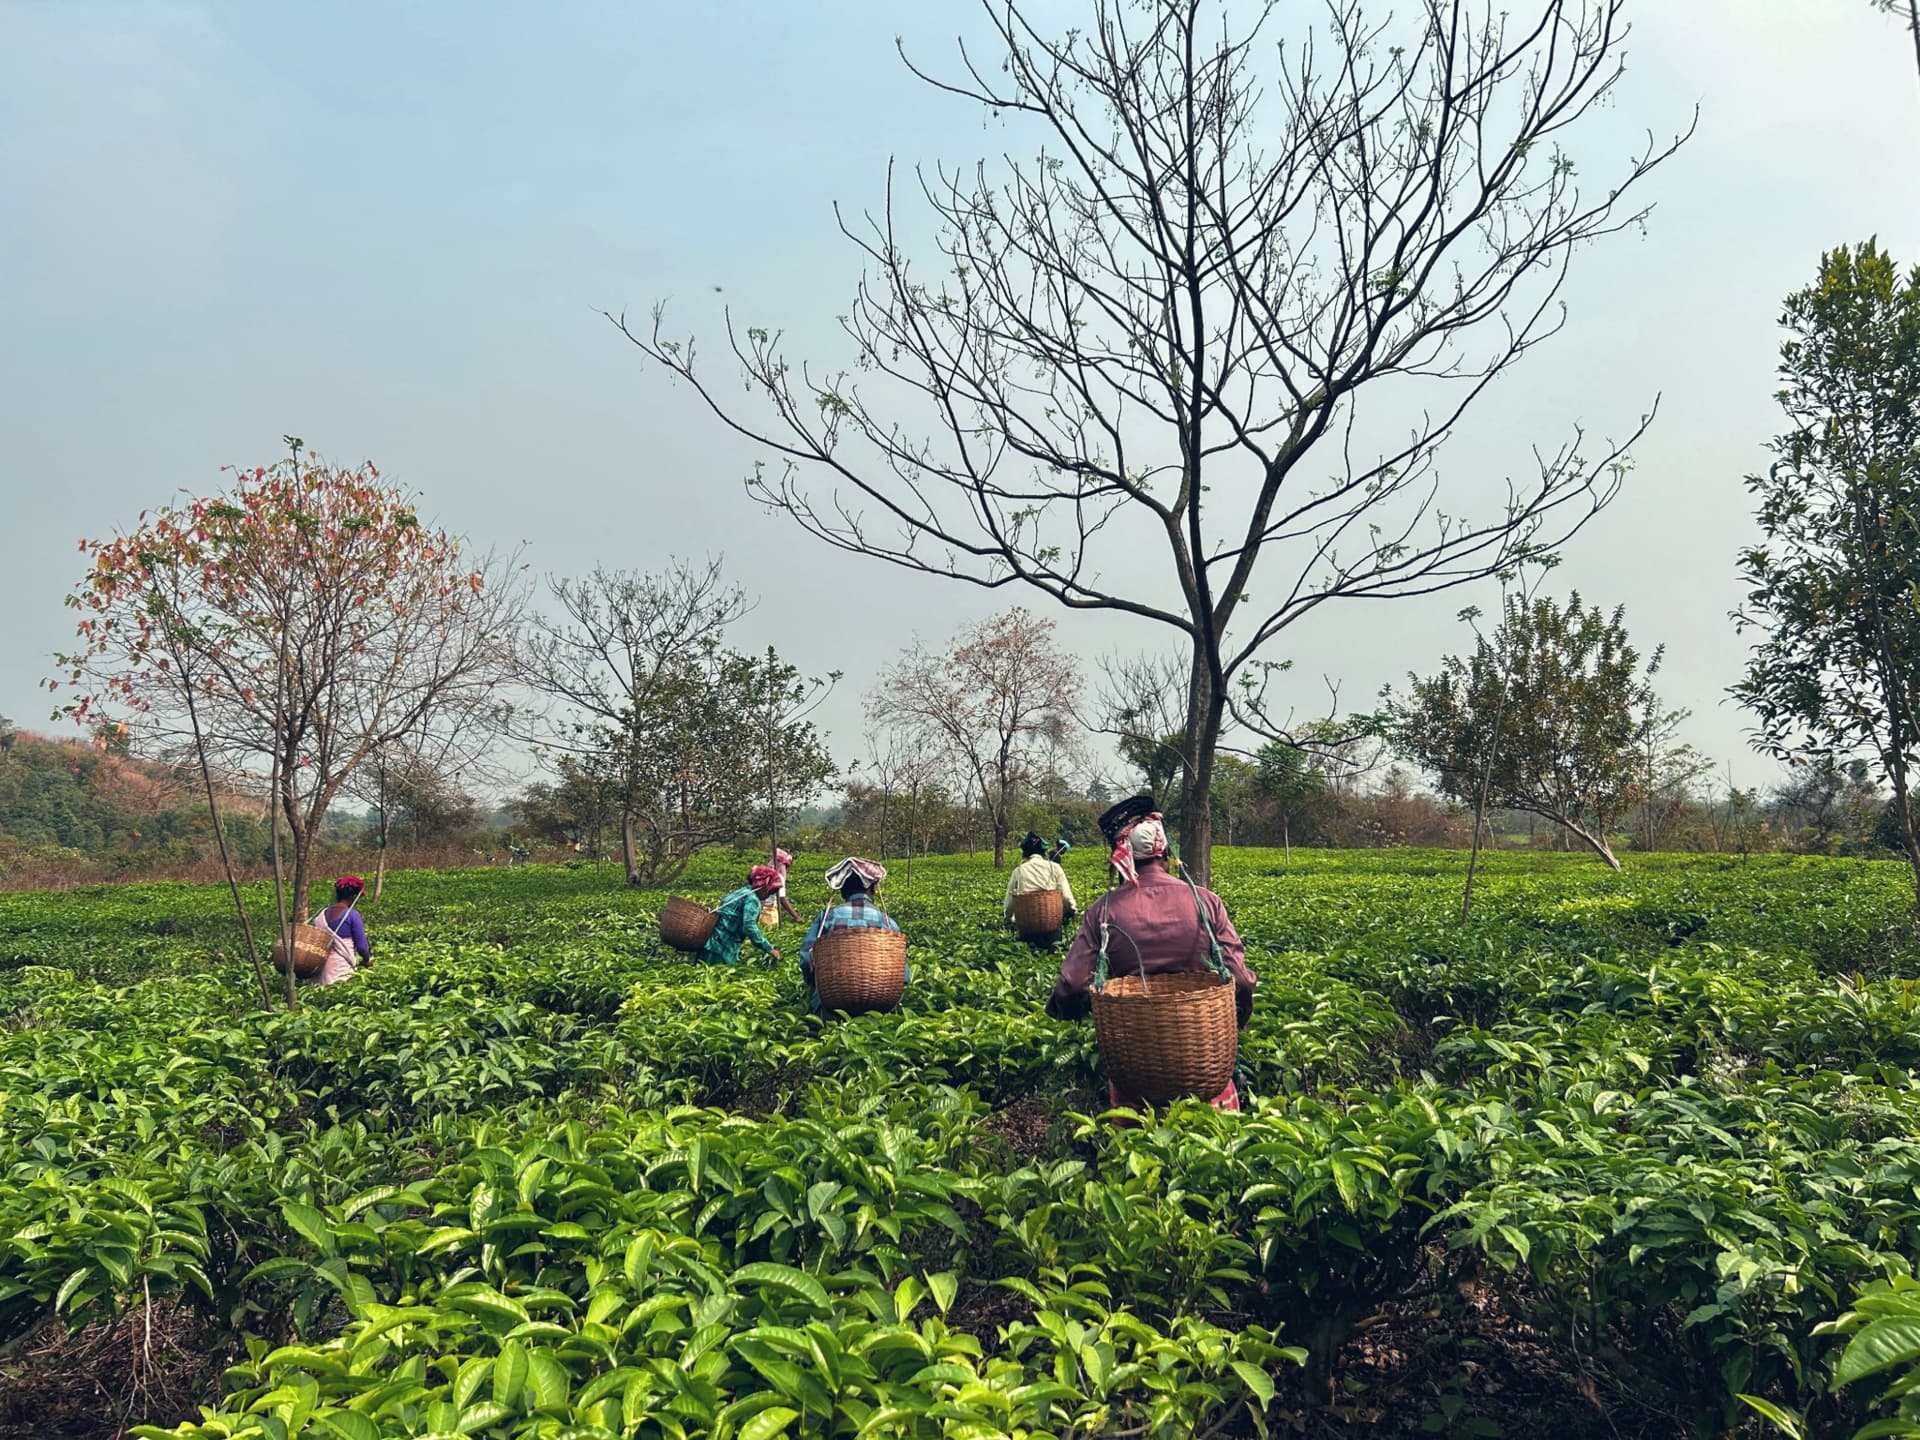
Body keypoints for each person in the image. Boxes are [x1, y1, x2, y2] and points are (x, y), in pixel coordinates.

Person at [1046, 798, 1257, 1112]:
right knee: (1217, 1151)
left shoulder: (1103, 910)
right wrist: (1235, 1017)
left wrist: (1066, 1009)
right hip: (1203, 1057)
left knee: (1138, 1155)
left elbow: (1074, 983)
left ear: (1122, 860)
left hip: (1135, 1065)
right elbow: (1239, 977)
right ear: (1166, 854)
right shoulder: (1206, 902)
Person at [798, 857, 903, 1011]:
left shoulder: (827, 917)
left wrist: (814, 983)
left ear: (842, 891)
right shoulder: (887, 922)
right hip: (881, 1004)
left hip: (831, 1002)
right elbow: (902, 971)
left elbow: (807, 959)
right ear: (872, 889)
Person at [700, 864, 785, 967]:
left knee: (702, 968)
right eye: (770, 891)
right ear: (762, 887)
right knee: (719, 974)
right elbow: (749, 926)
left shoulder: (743, 892)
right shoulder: (752, 899)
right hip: (723, 944)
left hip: (710, 940)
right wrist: (768, 948)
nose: (769, 895)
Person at [1004, 831, 1077, 947]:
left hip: (1027, 929)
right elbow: (1067, 898)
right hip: (1052, 929)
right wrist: (1072, 911)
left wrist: (1009, 920)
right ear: (1044, 852)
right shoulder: (1055, 868)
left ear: (1025, 853)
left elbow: (1009, 904)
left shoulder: (1018, 871)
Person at [311, 876, 371, 985]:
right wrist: (367, 960)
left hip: (318, 971)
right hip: (340, 971)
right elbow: (362, 947)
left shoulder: (320, 916)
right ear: (354, 897)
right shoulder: (352, 915)